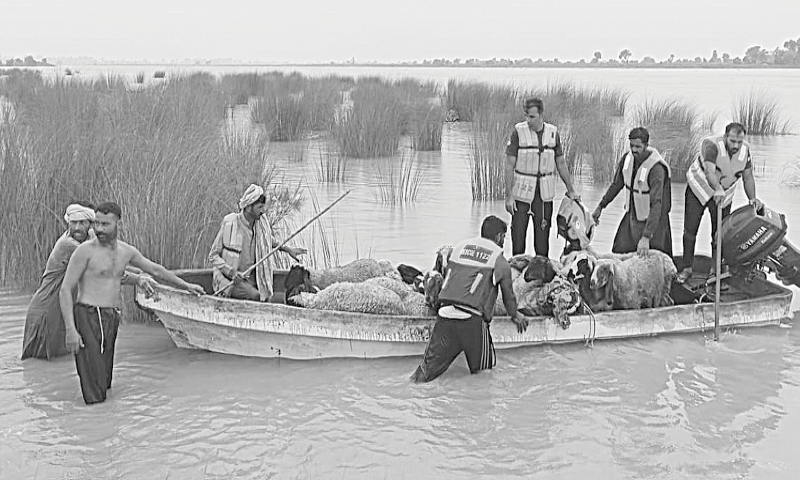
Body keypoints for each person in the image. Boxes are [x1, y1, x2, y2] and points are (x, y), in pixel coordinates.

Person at [59, 202, 206, 404]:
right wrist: (70, 330)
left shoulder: (126, 252)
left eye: (105, 224)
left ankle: (105, 425)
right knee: (93, 387)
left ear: (118, 224)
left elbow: (155, 270)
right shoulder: (84, 251)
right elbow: (65, 289)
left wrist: (185, 285)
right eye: (97, 224)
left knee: (105, 381)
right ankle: (93, 424)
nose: (99, 229)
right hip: (88, 316)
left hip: (110, 317)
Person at [21, 203, 154, 360]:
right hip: (47, 309)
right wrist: (138, 279)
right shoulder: (68, 245)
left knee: (61, 360)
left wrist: (142, 272)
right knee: (44, 364)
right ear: (67, 223)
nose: (77, 227)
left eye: (82, 222)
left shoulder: (90, 238)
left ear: (90, 224)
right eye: (73, 222)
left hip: (60, 309)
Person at [411, 215, 527, 383]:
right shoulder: (499, 261)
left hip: (444, 315)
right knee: (484, 375)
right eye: (504, 237)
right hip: (471, 322)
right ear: (499, 237)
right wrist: (516, 316)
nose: (504, 241)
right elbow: (509, 297)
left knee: (424, 374)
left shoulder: (459, 249)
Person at [676, 122, 763, 283]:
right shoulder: (711, 145)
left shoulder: (745, 151)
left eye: (739, 141)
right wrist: (716, 188)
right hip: (699, 189)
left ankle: (714, 272)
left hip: (724, 195)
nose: (736, 145)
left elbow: (748, 177)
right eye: (732, 141)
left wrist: (752, 199)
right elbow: (710, 171)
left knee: (719, 234)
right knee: (690, 230)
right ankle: (687, 268)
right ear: (725, 137)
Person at [505, 97, 580, 257]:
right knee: (518, 242)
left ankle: (541, 277)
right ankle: (516, 277)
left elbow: (561, 163)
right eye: (526, 115)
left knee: (542, 243)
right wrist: (509, 196)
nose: (528, 120)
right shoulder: (518, 132)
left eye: (531, 117)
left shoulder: (553, 134)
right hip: (521, 196)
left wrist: (571, 190)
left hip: (543, 197)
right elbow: (509, 166)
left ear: (541, 115)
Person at [208, 184, 307, 301]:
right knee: (256, 296)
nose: (263, 211)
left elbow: (267, 240)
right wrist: (231, 272)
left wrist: (287, 249)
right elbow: (213, 256)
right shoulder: (230, 223)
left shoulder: (259, 225)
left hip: (251, 279)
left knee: (271, 296)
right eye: (260, 207)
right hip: (229, 280)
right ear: (249, 207)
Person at [592, 127, 673, 257]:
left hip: (654, 221)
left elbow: (657, 204)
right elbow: (616, 185)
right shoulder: (627, 159)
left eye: (638, 146)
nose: (634, 150)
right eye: (632, 146)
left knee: (654, 259)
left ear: (646, 145)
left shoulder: (656, 169)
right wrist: (601, 206)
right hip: (632, 217)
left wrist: (646, 236)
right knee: (619, 252)